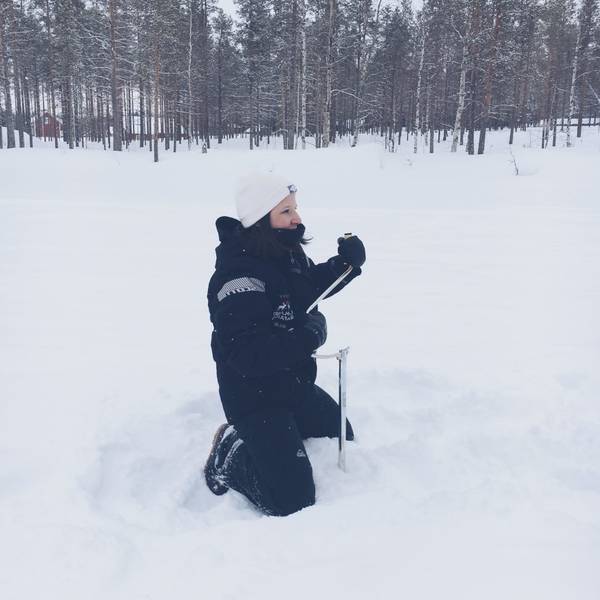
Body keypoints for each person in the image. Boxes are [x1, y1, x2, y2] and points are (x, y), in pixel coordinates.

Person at [204, 173, 366, 516]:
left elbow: (305, 288)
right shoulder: (237, 278)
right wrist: (309, 336)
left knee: (341, 434)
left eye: (295, 209)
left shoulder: (283, 254)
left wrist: (346, 266)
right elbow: (248, 357)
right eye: (286, 212)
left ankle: (282, 433)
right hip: (253, 398)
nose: (297, 218)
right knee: (292, 500)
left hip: (290, 383)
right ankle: (229, 453)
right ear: (262, 220)